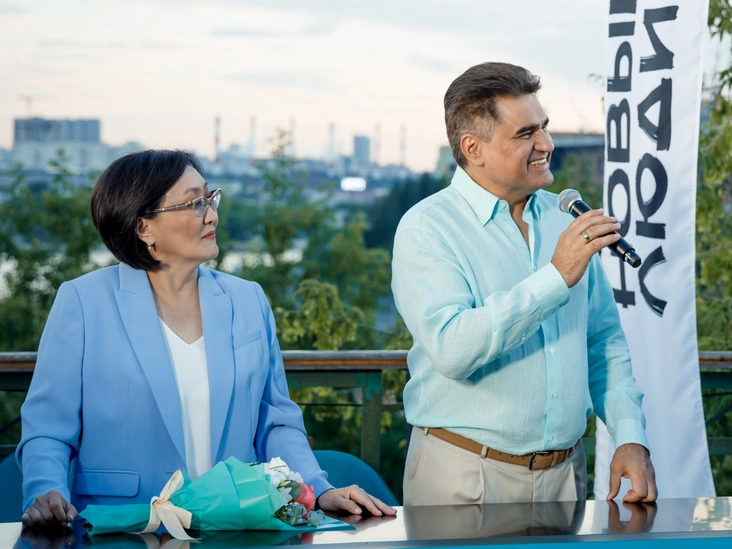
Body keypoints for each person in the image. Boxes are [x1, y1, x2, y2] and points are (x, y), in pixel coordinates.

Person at [17, 150, 396, 528]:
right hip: (122, 528)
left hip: (235, 525)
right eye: (194, 204)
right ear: (144, 227)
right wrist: (46, 491)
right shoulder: (83, 302)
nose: (211, 215)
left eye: (210, 198)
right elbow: (48, 429)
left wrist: (317, 489)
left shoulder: (247, 299)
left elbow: (275, 421)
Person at [392, 62, 656, 505]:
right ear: (473, 148)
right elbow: (452, 350)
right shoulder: (426, 228)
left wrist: (630, 436)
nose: (547, 144)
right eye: (526, 133)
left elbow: (603, 341)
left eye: (544, 127)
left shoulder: (564, 218)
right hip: (465, 477)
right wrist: (555, 277)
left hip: (567, 475)